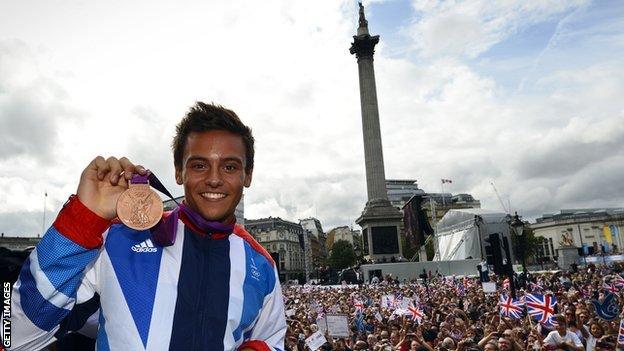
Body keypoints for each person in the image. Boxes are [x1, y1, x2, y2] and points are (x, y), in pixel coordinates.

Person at [8, 102, 286, 350]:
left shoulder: (261, 265)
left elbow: (272, 339)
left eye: (229, 167)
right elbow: (17, 336)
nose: (214, 179)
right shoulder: (118, 240)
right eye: (200, 165)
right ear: (179, 172)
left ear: (247, 175)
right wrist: (82, 219)